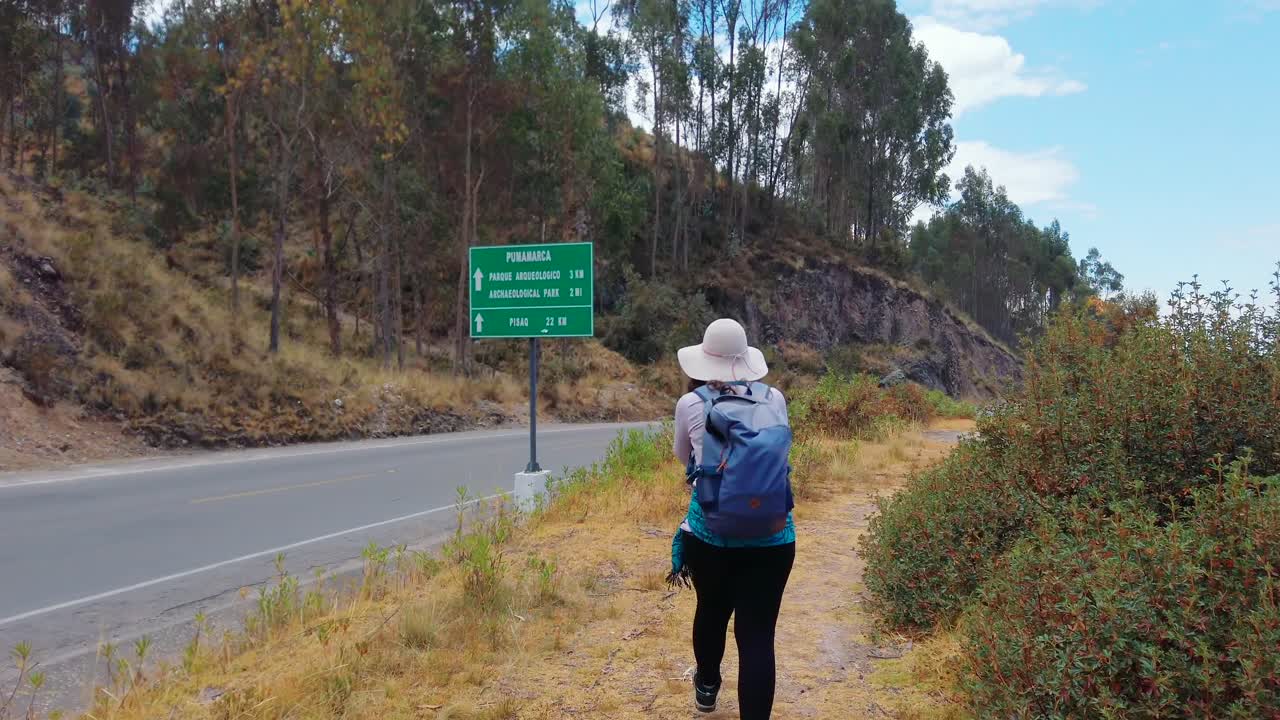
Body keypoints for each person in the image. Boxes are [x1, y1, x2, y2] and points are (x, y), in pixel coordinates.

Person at [670, 318, 795, 719]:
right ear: (746, 360)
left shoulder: (691, 404)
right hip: (774, 537)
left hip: (710, 536)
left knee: (711, 609)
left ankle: (707, 685)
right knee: (757, 637)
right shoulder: (774, 398)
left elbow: (682, 457)